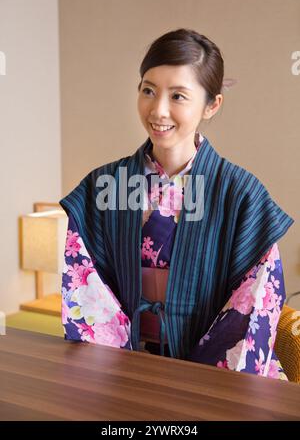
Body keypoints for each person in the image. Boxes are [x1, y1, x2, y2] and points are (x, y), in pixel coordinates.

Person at [59, 28, 294, 380]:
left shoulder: (241, 193)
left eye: (178, 96)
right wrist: (122, 369)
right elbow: (87, 289)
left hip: (214, 380)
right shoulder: (102, 186)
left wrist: (199, 383)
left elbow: (255, 302)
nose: (158, 110)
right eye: (148, 91)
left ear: (211, 105)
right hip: (124, 369)